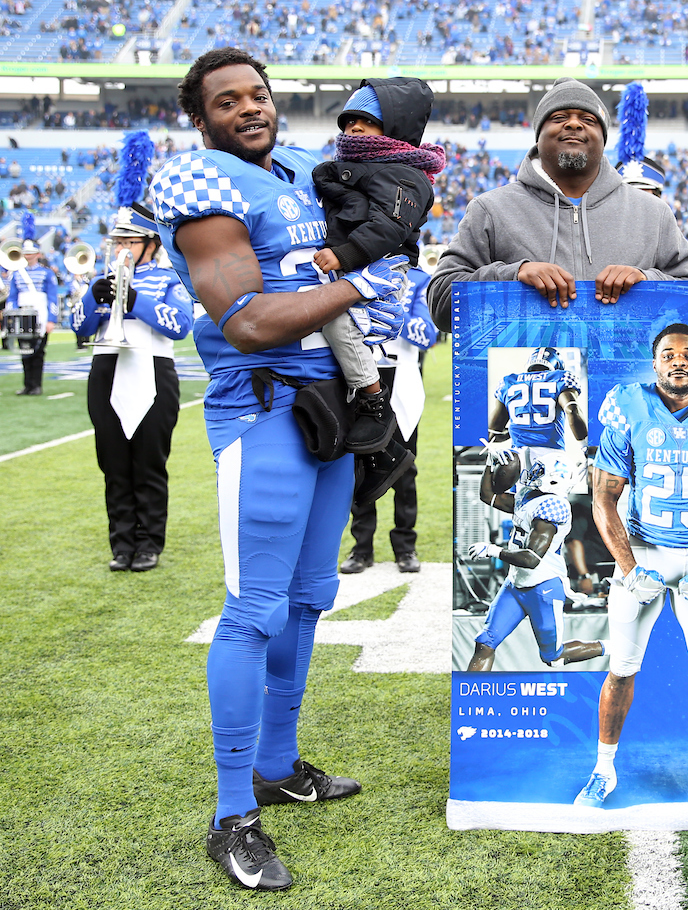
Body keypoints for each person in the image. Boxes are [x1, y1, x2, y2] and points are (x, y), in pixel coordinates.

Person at [150, 48, 407, 893]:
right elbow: (253, 320)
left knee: (309, 596)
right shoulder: (203, 186)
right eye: (228, 101)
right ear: (202, 118)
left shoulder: (298, 170)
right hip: (262, 410)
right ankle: (232, 815)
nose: (250, 108)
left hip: (328, 410)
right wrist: (362, 289)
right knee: (254, 607)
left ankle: (275, 762)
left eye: (258, 93)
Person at [575, 324, 688, 806]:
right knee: (620, 669)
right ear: (655, 362)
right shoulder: (627, 404)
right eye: (669, 354)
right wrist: (629, 568)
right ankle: (603, 770)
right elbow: (602, 497)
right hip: (643, 551)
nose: (679, 361)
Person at [426, 76, 688, 332]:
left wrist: (647, 281)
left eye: (588, 119)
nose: (573, 124)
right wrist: (513, 274)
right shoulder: (490, 209)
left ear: (603, 138)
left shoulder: (653, 213)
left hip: (627, 377)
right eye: (559, 117)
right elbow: (440, 303)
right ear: (539, 135)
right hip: (529, 376)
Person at [310, 77, 444, 454]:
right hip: (350, 267)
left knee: (338, 323)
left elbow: (389, 225)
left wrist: (346, 254)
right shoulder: (350, 168)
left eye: (366, 121)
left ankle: (374, 400)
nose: (353, 127)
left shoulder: (404, 175)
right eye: (348, 121)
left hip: (378, 267)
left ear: (393, 128)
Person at [72, 201, 193, 572]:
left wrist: (136, 301)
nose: (121, 248)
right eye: (117, 241)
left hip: (154, 370)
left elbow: (180, 324)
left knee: (149, 463)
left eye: (130, 241)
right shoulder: (102, 280)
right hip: (107, 369)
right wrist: (94, 297)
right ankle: (121, 544)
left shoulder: (168, 277)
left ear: (150, 243)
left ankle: (149, 544)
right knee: (113, 463)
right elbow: (80, 328)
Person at [462, 450, 605, 670]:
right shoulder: (529, 495)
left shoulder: (553, 507)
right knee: (485, 643)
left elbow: (531, 559)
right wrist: (489, 465)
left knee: (553, 657)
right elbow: (488, 496)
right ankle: (471, 698)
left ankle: (613, 647)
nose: (532, 473)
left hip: (543, 586)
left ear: (554, 479)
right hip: (515, 583)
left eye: (540, 471)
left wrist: (492, 550)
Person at [341, 264, 437, 575]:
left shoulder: (419, 279)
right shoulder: (356, 274)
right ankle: (361, 547)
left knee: (405, 470)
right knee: (360, 465)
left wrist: (394, 311)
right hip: (360, 379)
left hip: (403, 380)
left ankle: (405, 547)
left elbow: (428, 334)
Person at [488, 346, 587, 462]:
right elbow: (571, 410)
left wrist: (515, 431)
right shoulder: (560, 378)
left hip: (517, 457)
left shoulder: (508, 382)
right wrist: (584, 445)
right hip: (552, 455)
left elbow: (493, 433)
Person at [7, 239, 57, 395]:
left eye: (31, 253)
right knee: (24, 352)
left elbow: (52, 297)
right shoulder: (16, 274)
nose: (28, 256)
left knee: (38, 351)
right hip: (22, 316)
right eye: (26, 253)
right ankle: (27, 385)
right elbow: (12, 297)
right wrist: (12, 315)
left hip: (40, 316)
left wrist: (51, 319)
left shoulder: (46, 273)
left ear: (38, 254)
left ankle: (36, 385)